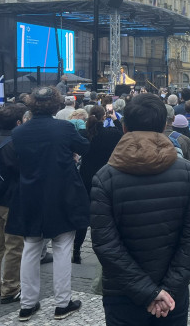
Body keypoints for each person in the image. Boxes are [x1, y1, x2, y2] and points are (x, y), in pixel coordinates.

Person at [91, 93, 190, 325]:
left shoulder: (105, 177)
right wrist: (166, 290)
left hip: (123, 293)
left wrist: (147, 292)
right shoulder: (187, 172)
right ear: (164, 126)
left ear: (124, 127)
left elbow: (105, 244)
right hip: (172, 295)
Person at [6, 87, 89, 321]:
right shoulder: (64, 128)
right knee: (63, 246)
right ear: (56, 105)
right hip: (61, 194)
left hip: (30, 194)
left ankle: (27, 304)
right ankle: (63, 303)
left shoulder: (19, 132)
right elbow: (85, 147)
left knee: (30, 247)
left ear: (32, 104)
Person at [73, 106, 123, 264]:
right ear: (104, 117)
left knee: (84, 215)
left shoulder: (84, 134)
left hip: (86, 177)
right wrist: (114, 118)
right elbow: (122, 133)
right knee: (106, 215)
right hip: (105, 177)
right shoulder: (111, 134)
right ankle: (106, 250)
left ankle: (76, 250)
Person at [0, 103, 27, 304]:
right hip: (11, 200)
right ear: (18, 122)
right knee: (14, 245)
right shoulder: (16, 143)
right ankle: (10, 288)